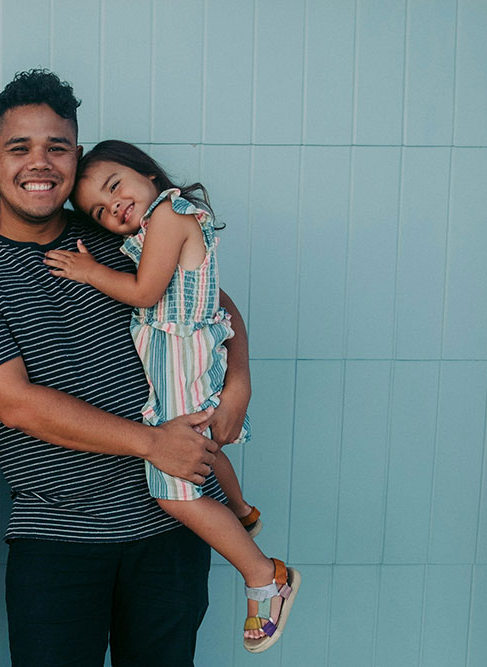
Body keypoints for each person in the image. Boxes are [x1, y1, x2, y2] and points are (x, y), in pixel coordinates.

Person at [0, 69, 252, 666]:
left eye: (57, 148)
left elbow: (212, 302)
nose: (39, 163)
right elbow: (15, 403)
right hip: (58, 543)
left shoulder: (118, 236)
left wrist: (239, 386)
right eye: (19, 148)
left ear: (77, 159)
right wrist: (153, 443)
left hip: (171, 528)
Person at [44, 139, 300, 653]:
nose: (112, 207)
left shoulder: (167, 216)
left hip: (183, 360)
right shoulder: (155, 226)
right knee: (202, 448)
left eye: (115, 186)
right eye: (99, 209)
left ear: (148, 174)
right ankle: (242, 509)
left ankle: (264, 576)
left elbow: (143, 293)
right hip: (176, 364)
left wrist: (88, 271)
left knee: (170, 491)